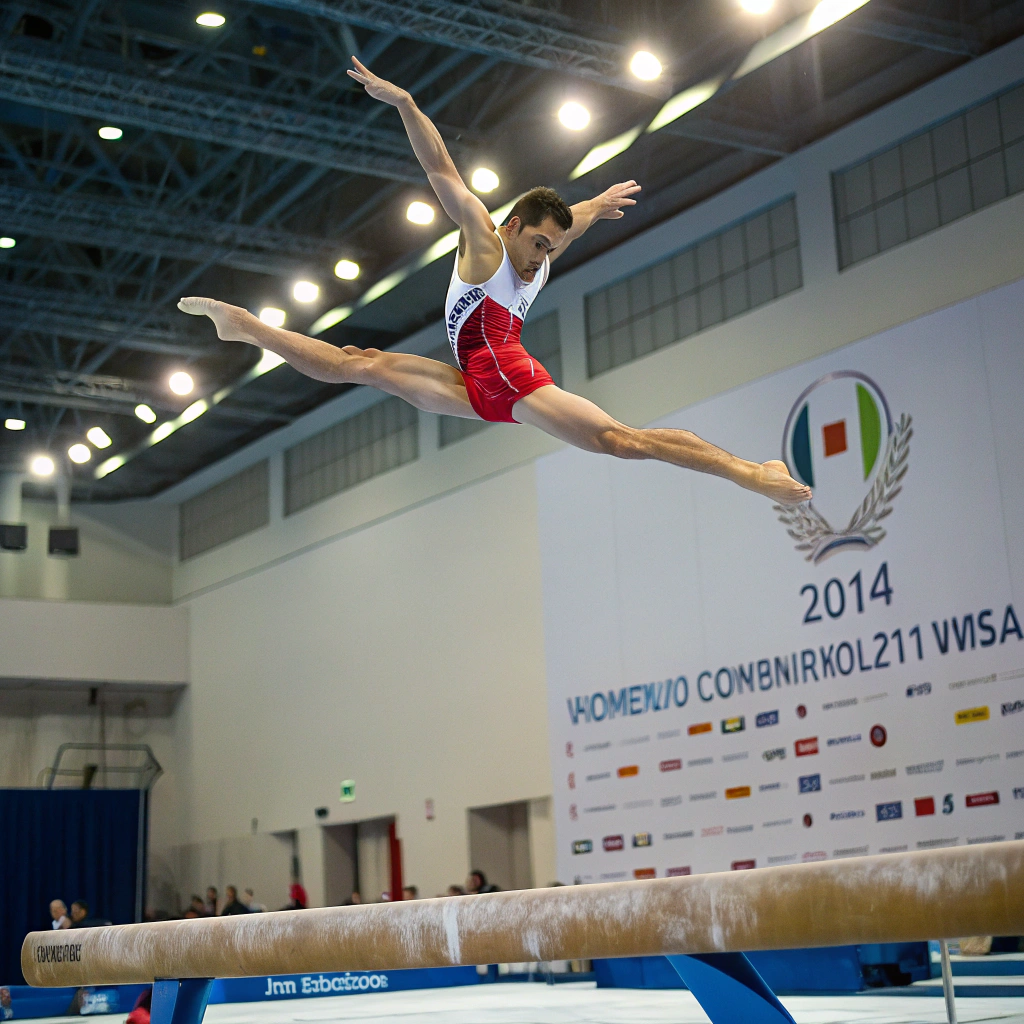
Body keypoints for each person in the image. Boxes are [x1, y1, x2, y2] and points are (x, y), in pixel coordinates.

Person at [177, 59, 812, 508]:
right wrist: (406, 104)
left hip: (505, 372)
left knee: (620, 441)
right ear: (511, 228)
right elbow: (440, 168)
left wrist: (595, 203)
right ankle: (248, 327)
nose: (542, 259)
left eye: (551, 248)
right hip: (477, 380)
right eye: (538, 244)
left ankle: (751, 474)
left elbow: (572, 220)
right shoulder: (485, 241)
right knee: (358, 363)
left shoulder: (537, 244)